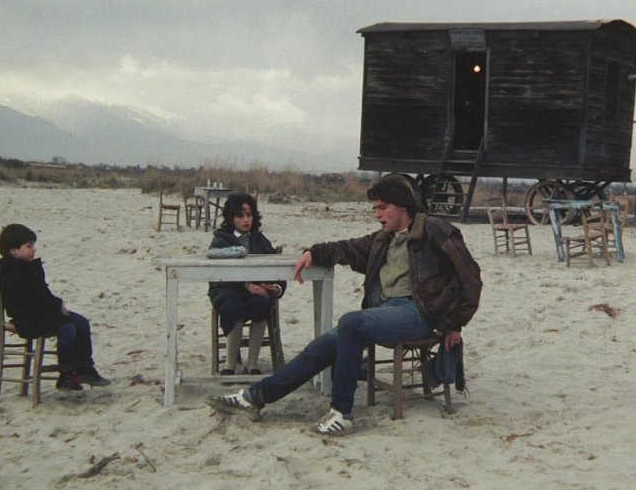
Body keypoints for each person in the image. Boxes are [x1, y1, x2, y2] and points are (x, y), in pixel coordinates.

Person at [205, 174, 482, 436]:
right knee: (324, 344)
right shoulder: (383, 239)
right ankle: (254, 397)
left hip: (421, 313)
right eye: (375, 208)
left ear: (402, 206)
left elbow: (471, 278)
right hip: (387, 310)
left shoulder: (435, 231)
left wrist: (454, 324)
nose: (377, 214)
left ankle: (342, 413)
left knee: (351, 322)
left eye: (382, 208)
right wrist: (313, 252)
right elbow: (346, 248)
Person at [0, 223, 110, 391]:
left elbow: (43, 292)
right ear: (14, 251)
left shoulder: (29, 267)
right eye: (29, 246)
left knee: (82, 322)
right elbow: (30, 298)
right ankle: (67, 373)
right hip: (28, 318)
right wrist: (57, 306)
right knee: (68, 328)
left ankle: (85, 368)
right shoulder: (12, 272)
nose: (34, 249)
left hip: (44, 313)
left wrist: (57, 305)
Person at [208, 194, 286, 375]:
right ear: (231, 218)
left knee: (263, 305)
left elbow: (277, 269)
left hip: (256, 294)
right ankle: (229, 364)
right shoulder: (221, 240)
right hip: (227, 292)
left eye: (249, 215)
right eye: (240, 216)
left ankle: (252, 364)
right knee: (232, 308)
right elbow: (216, 275)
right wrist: (246, 286)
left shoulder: (259, 239)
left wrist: (275, 288)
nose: (245, 220)